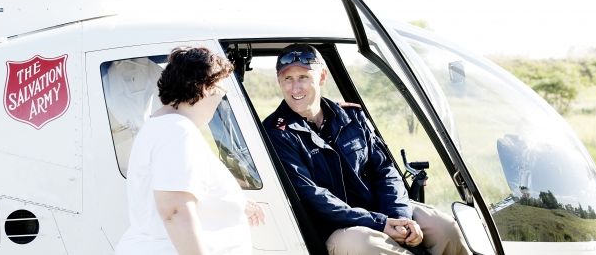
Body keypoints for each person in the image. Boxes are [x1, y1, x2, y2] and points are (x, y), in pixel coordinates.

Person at [263, 44, 469, 255]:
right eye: (288, 79)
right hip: (335, 227)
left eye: (303, 77)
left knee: (445, 229)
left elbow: (386, 170)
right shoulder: (276, 133)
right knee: (367, 246)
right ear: (279, 82)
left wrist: (399, 217)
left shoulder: (352, 117)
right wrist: (381, 223)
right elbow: (313, 196)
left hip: (380, 211)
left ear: (322, 77)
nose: (295, 88)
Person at [116, 46, 264, 255]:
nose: (220, 99)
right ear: (206, 88)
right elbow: (175, 211)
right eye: (221, 91)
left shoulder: (163, 127)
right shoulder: (176, 132)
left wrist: (234, 203)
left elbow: (180, 192)